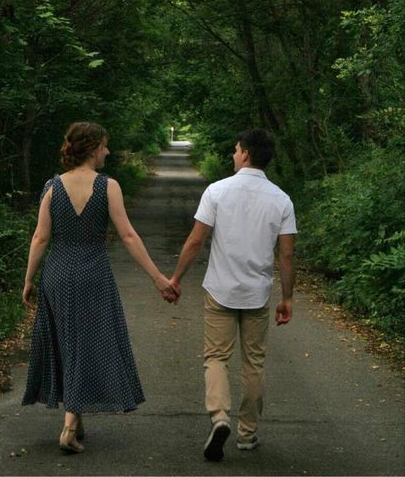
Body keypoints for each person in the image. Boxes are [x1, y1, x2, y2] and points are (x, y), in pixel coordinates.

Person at [22, 121, 178, 453]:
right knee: (86, 343)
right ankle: (68, 426)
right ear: (93, 148)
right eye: (105, 145)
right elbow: (128, 235)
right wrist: (157, 278)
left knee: (66, 341)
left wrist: (29, 279)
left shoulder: (53, 187)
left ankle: (75, 419)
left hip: (58, 272)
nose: (108, 151)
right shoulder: (108, 186)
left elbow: (41, 237)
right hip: (92, 273)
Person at [168, 129, 296, 461]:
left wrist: (176, 278)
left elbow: (196, 241)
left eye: (236, 149)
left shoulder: (218, 191)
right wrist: (287, 297)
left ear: (245, 154)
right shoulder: (281, 199)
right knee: (254, 363)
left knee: (216, 358)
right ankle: (247, 434)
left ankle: (220, 416)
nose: (233, 154)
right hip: (256, 294)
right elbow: (286, 255)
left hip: (221, 291)